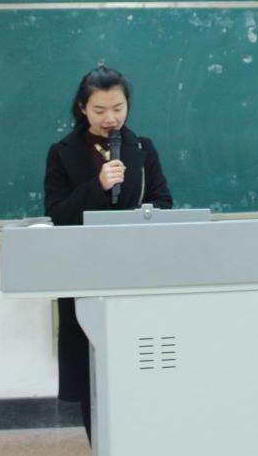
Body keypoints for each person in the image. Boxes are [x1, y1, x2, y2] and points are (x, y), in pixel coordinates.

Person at [43, 66, 173, 442]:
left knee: (140, 366)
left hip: (136, 273)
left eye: (118, 108)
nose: (110, 118)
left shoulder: (142, 149)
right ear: (82, 108)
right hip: (84, 274)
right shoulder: (61, 153)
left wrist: (143, 215)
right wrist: (98, 186)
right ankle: (100, 444)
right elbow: (57, 213)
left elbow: (163, 202)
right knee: (91, 373)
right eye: (99, 110)